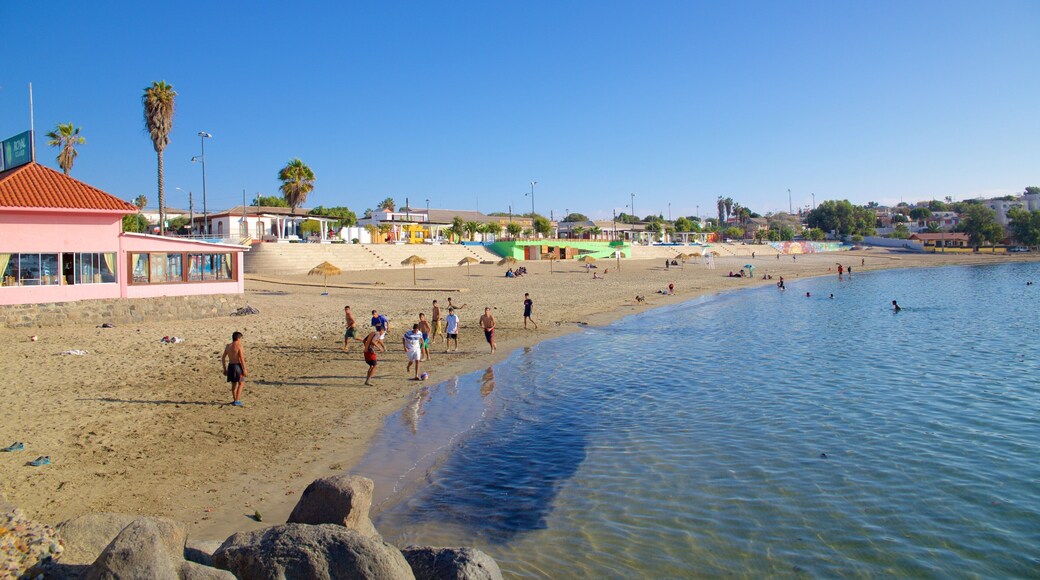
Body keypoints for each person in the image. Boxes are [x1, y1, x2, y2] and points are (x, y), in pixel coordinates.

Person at [221, 331, 248, 406]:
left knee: (233, 384)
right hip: (237, 366)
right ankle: (237, 400)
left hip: (230, 366)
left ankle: (235, 400)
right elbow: (241, 358)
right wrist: (244, 369)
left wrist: (224, 368)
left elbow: (223, 358)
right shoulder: (239, 345)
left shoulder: (228, 346)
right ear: (238, 338)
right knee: (241, 383)